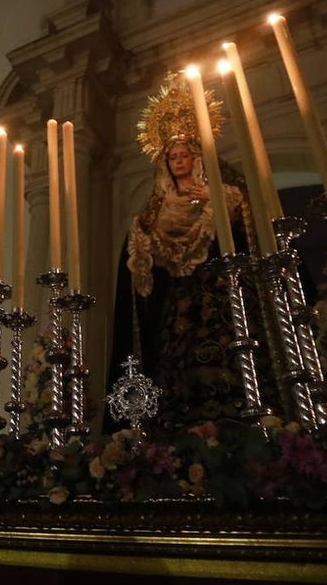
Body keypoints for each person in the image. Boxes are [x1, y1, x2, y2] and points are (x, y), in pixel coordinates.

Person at [108, 73, 272, 435]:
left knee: (229, 358)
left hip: (220, 297)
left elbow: (245, 227)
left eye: (184, 154)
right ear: (164, 163)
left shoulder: (224, 196)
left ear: (196, 157)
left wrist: (214, 198)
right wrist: (141, 240)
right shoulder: (154, 210)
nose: (178, 160)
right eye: (172, 157)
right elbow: (143, 263)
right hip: (177, 305)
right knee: (175, 365)